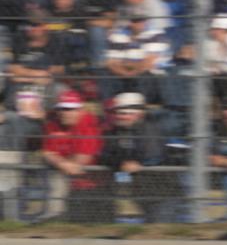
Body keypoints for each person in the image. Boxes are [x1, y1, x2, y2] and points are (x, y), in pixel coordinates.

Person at [97, 92, 179, 223]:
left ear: (139, 114)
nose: (121, 117)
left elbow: (153, 156)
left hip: (163, 191)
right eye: (118, 113)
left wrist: (135, 162)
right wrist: (122, 163)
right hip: (142, 191)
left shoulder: (150, 129)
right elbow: (106, 155)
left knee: (160, 227)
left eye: (125, 113)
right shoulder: (115, 132)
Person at [41, 90, 103, 222]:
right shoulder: (53, 123)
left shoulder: (88, 124)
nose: (65, 113)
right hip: (68, 178)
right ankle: (54, 218)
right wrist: (62, 163)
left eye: (71, 109)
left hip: (92, 184)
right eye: (62, 109)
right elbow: (47, 152)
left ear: (80, 110)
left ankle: (56, 218)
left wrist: (61, 162)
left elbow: (83, 160)